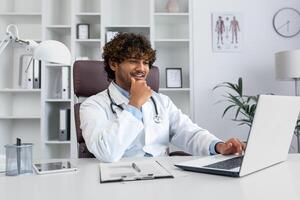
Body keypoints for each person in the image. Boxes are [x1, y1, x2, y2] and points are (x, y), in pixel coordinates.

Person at [80, 33, 245, 162]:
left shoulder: (161, 102)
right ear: (113, 64)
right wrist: (135, 104)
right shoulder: (92, 105)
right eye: (133, 61)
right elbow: (106, 152)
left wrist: (218, 146)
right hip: (118, 181)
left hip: (161, 178)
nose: (142, 69)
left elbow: (189, 133)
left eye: (145, 63)